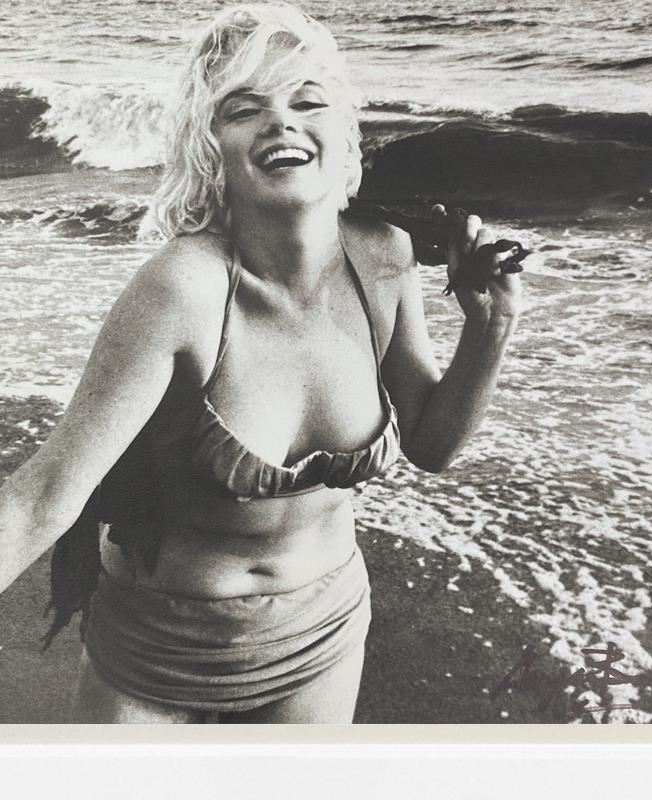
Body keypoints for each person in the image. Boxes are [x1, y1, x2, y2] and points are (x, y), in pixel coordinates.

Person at [0, 3, 522, 723]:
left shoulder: (383, 258)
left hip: (323, 632)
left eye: (307, 102)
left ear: (343, 132)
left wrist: (491, 326)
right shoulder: (183, 289)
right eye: (245, 110)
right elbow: (44, 494)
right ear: (210, 146)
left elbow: (432, 445)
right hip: (162, 646)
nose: (281, 122)